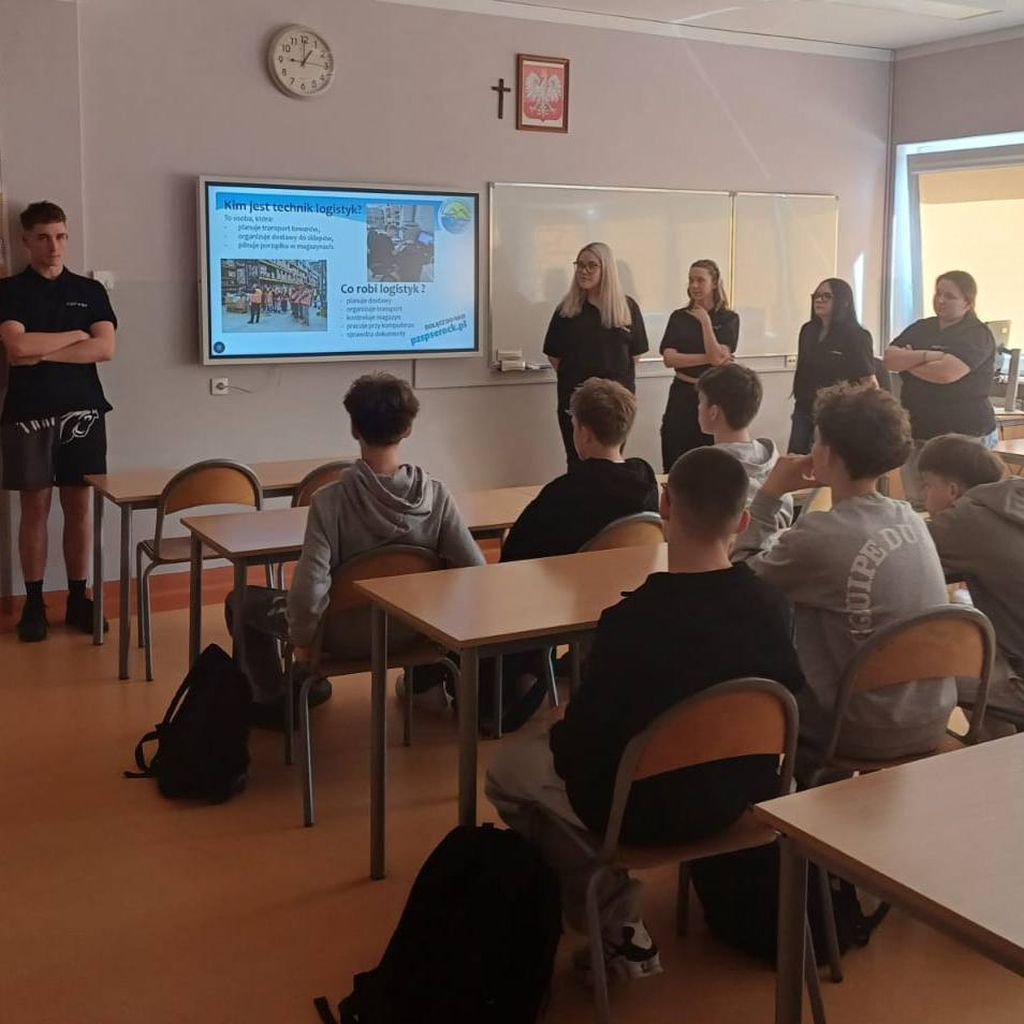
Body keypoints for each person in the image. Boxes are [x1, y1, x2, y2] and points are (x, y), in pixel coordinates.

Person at [486, 446, 804, 982]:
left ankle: (616, 921)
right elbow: (787, 702)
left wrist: (557, 728)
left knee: (506, 773)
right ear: (743, 521)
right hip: (747, 799)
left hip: (642, 815)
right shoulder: (775, 607)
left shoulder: (629, 622)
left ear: (664, 506)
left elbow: (583, 750)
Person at [225, 373, 485, 728]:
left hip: (339, 637)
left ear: (354, 429)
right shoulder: (436, 496)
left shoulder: (329, 501)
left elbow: (309, 591)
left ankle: (276, 702)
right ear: (408, 429)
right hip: (416, 629)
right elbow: (474, 569)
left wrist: (304, 642)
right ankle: (422, 682)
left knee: (240, 600)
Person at [732, 384, 954, 762]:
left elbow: (739, 581)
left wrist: (770, 493)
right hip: (932, 717)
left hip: (856, 728)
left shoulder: (820, 535)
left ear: (827, 453)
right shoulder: (910, 518)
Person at [0, 200, 117, 643]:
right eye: (44, 237)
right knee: (35, 508)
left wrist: (42, 351)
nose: (54, 246)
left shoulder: (90, 290)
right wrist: (73, 335)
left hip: (84, 410)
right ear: (26, 241)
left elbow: (104, 348)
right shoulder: (11, 291)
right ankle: (33, 603)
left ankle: (77, 596)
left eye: (61, 236)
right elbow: (16, 349)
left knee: (79, 507)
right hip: (28, 413)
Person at [918, 434, 1024, 734]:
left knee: (927, 663)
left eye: (927, 486)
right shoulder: (1015, 495)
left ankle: (998, 753)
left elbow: (901, 550)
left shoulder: (963, 520)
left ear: (952, 490)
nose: (923, 495)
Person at [499, 377, 658, 563]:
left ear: (585, 434)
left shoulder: (564, 491)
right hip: (632, 575)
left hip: (573, 579)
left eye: (574, 425)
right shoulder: (646, 477)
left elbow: (514, 554)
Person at [883, 271, 997, 504]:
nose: (941, 300)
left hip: (963, 435)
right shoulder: (922, 327)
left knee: (960, 504)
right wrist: (928, 356)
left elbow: (946, 374)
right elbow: (890, 360)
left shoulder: (976, 333)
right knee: (919, 502)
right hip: (918, 430)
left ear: (967, 302)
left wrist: (909, 361)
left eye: (950, 296)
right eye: (938, 294)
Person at [543, 242, 648, 467]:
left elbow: (635, 356)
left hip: (616, 405)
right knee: (578, 464)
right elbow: (554, 356)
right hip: (576, 402)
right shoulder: (567, 310)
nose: (584, 271)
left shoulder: (627, 307)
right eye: (580, 265)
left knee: (612, 462)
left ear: (606, 269)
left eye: (592, 265)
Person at [659, 259, 739, 471]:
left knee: (708, 461)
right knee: (674, 453)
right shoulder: (679, 317)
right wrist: (711, 359)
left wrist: (705, 321)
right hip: (682, 392)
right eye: (691, 280)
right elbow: (669, 359)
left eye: (700, 280)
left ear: (714, 283)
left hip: (713, 395)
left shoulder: (729, 318)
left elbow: (717, 356)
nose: (694, 285)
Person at [695, 363, 793, 528]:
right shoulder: (774, 461)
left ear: (713, 412)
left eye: (700, 402)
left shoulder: (704, 468)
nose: (698, 407)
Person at [789, 278, 875, 454]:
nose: (819, 300)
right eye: (816, 296)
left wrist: (836, 392)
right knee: (796, 460)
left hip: (837, 412)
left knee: (826, 463)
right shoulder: (808, 330)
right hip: (805, 407)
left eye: (826, 296)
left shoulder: (856, 335)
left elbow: (870, 384)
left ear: (843, 302)